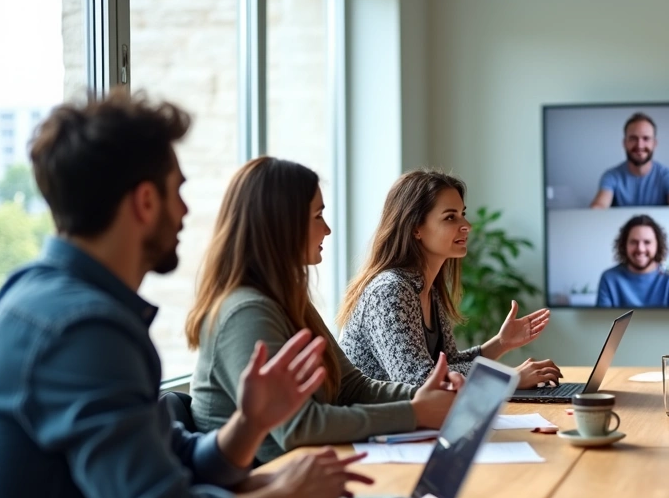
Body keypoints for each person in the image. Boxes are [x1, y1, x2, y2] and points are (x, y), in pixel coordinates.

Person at [0, 93, 371, 498]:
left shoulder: (40, 297)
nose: (185, 210)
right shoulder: (84, 330)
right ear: (145, 202)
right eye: (178, 191)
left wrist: (249, 424)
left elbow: (171, 459)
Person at [188, 158, 463, 464]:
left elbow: (350, 387)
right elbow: (298, 426)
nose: (328, 229)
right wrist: (414, 412)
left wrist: (426, 397)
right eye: (318, 216)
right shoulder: (246, 312)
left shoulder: (288, 299)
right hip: (261, 481)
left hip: (304, 471)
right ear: (283, 224)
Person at [339, 170, 559, 389]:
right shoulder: (390, 291)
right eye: (450, 217)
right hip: (372, 412)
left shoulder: (427, 289)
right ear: (416, 228)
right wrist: (509, 378)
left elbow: (449, 364)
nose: (467, 225)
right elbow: (417, 380)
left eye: (462, 214)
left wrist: (501, 343)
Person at [590, 112, 669, 208]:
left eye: (646, 138)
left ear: (654, 143)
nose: (639, 145)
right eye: (633, 138)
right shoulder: (611, 176)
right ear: (624, 143)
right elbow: (599, 206)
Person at [596, 214, 669, 307]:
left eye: (647, 242)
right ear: (624, 245)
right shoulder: (609, 277)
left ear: (658, 245)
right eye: (634, 242)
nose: (640, 249)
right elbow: (602, 317)